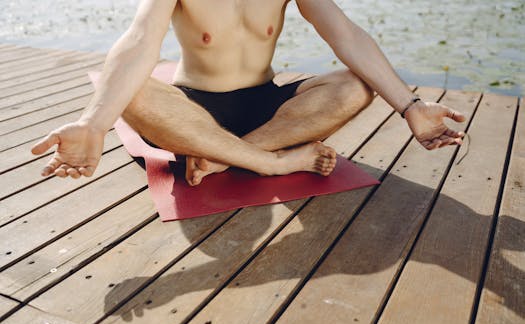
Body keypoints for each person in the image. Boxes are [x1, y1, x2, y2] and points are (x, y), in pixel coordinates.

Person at [31, 0, 466, 186]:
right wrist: (94, 122)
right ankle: (270, 163)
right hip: (192, 109)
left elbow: (346, 35)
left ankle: (226, 155)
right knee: (132, 96)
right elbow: (140, 40)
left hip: (265, 106)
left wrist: (409, 106)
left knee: (355, 85)